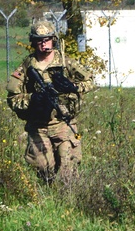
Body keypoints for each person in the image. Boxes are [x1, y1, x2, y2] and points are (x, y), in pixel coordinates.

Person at [6, 20, 93, 184]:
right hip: (39, 126)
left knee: (69, 169)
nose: (43, 44)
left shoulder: (65, 63)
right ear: (33, 42)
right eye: (39, 40)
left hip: (63, 123)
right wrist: (32, 100)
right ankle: (48, 200)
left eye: (47, 39)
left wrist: (72, 87)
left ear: (53, 40)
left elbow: (90, 81)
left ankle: (68, 201)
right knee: (45, 170)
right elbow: (12, 98)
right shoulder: (26, 66)